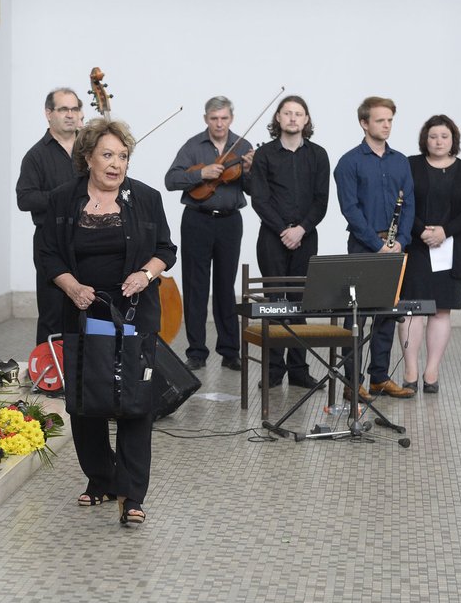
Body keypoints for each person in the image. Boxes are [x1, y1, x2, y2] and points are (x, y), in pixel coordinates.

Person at [40, 118, 176, 525]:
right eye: (108, 155)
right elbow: (48, 255)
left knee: (136, 404)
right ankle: (101, 479)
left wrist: (146, 275)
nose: (116, 164)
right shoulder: (64, 199)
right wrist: (72, 287)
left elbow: (167, 249)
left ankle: (133, 495)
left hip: (134, 314)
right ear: (88, 158)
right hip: (83, 311)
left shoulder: (146, 198)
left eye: (123, 156)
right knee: (85, 405)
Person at [334, 96, 416, 401]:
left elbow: (408, 204)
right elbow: (350, 210)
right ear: (364, 123)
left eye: (390, 120)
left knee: (386, 313)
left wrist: (400, 241)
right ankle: (351, 382)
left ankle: (379, 378)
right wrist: (377, 244)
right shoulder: (348, 162)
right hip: (363, 246)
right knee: (355, 316)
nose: (386, 125)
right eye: (380, 120)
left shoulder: (400, 161)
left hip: (395, 247)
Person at [165, 96, 254, 372]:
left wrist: (249, 171)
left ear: (231, 118)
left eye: (224, 118)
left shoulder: (244, 147)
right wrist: (201, 173)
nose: (219, 123)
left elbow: (253, 188)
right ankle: (196, 352)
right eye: (214, 118)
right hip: (197, 220)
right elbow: (171, 180)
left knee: (226, 287)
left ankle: (230, 351)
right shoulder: (193, 146)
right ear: (206, 119)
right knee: (195, 286)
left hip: (230, 222)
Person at [397, 115, 461, 394]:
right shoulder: (410, 165)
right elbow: (401, 201)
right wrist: (422, 230)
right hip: (416, 247)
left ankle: (431, 371)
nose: (438, 141)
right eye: (433, 136)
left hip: (451, 248)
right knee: (411, 309)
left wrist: (444, 231)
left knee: (441, 311)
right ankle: (410, 369)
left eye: (444, 136)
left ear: (453, 140)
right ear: (425, 139)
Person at [250, 95, 329, 389]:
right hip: (272, 238)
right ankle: (272, 372)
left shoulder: (318, 155)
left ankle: (298, 370)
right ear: (278, 119)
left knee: (300, 304)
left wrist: (301, 230)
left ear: (306, 120)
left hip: (306, 239)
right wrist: (284, 229)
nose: (293, 118)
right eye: (287, 113)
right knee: (275, 303)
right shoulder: (264, 155)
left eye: (299, 113)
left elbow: (321, 200)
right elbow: (259, 199)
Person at [16, 88, 81, 346]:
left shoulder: (90, 152)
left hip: (87, 239)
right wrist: (62, 197)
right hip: (50, 241)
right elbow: (25, 199)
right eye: (63, 109)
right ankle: (48, 375)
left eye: (74, 109)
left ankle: (84, 373)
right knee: (53, 313)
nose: (70, 115)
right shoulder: (36, 156)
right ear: (48, 114)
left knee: (86, 312)